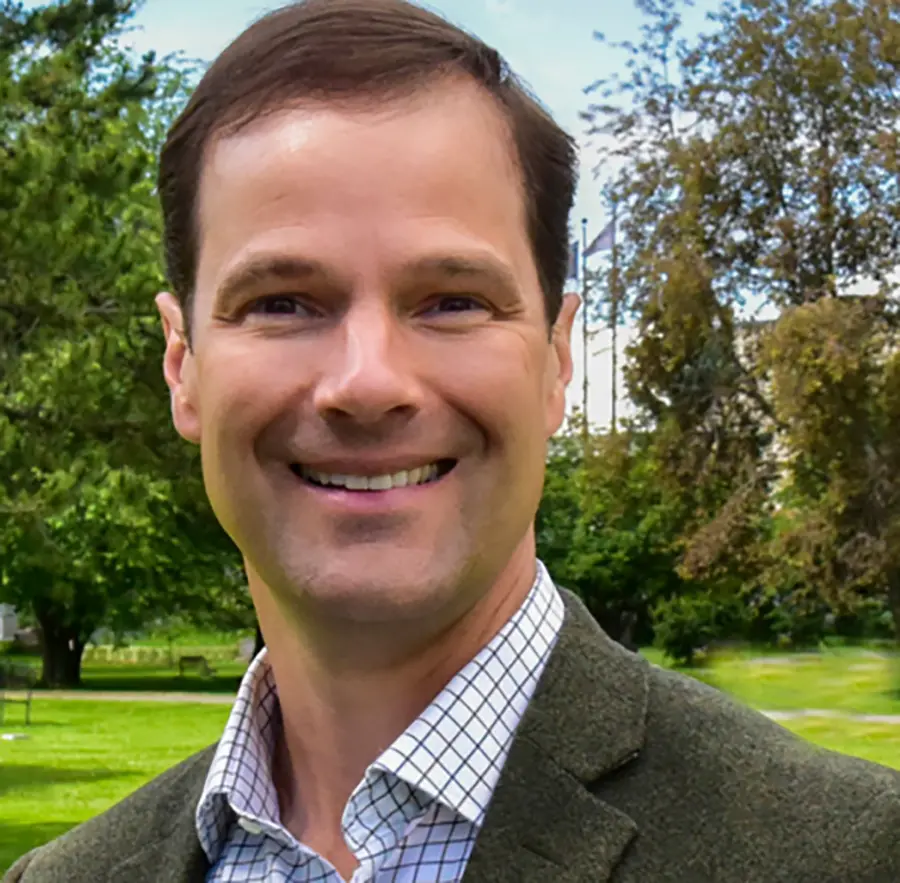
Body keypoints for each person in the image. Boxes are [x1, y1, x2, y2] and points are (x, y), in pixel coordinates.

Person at [7, 1, 899, 881]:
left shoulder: (850, 854)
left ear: (556, 358)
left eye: (452, 301)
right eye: (283, 302)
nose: (367, 381)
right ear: (183, 367)